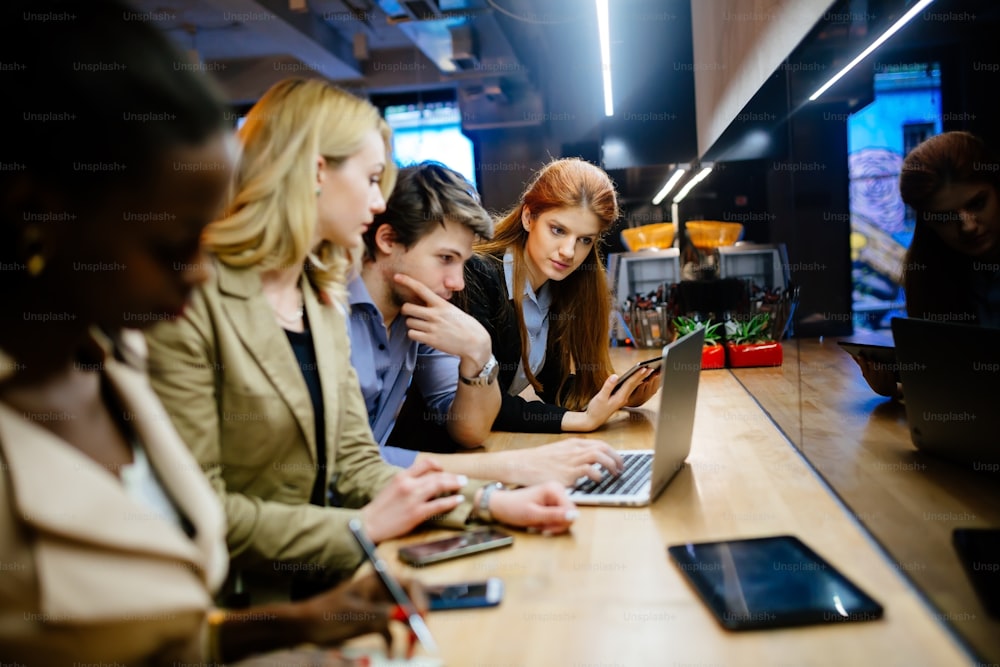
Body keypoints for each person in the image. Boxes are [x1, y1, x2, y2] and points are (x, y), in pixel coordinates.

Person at [0, 2, 429, 665]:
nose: (200, 272)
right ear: (37, 215)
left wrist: (297, 625)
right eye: (172, 245)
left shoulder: (115, 356)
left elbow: (164, 635)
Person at [143, 78, 578, 604]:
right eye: (372, 179)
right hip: (238, 606)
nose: (379, 204)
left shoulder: (318, 294)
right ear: (316, 171)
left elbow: (355, 465)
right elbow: (199, 510)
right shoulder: (192, 297)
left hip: (332, 580)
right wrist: (362, 530)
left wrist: (487, 503)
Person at [350, 160, 623, 484]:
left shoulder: (416, 312)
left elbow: (470, 429)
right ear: (387, 240)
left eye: (585, 240)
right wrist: (511, 468)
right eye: (445, 259)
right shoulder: (328, 317)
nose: (458, 282)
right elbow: (347, 464)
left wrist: (479, 352)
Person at [460, 157, 663, 433]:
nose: (569, 251)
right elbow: (486, 402)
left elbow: (554, 388)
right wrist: (583, 420)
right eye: (558, 230)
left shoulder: (556, 289)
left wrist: (620, 397)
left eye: (585, 240)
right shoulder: (478, 276)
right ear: (528, 217)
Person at [852, 131, 1000, 397]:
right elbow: (960, 385)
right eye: (945, 218)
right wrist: (899, 388)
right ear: (929, 226)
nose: (968, 226)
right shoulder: (938, 280)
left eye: (977, 203)